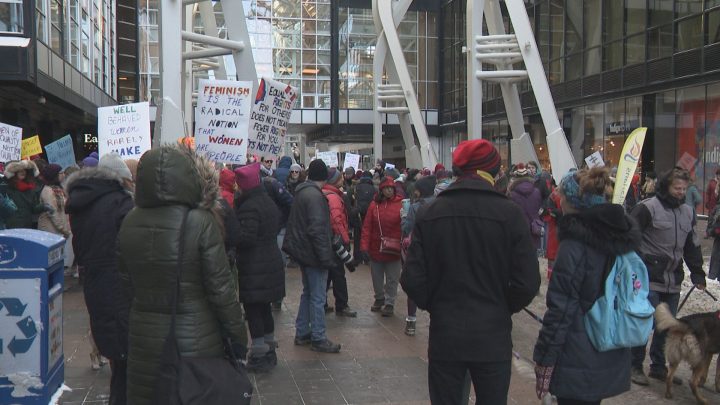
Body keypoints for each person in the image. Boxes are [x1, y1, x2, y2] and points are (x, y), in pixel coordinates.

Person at [401, 139, 540, 404]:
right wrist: (501, 306)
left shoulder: (431, 211)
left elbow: (412, 276)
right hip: (493, 334)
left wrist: (437, 305)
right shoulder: (509, 214)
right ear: (493, 171)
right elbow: (528, 282)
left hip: (446, 334)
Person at [117, 146, 248, 405]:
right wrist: (238, 336)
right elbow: (221, 291)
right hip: (196, 341)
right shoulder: (200, 221)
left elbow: (124, 286)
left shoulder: (129, 221)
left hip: (144, 339)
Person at [533, 167, 636, 405]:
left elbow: (561, 310)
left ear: (572, 203)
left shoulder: (574, 246)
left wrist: (545, 358)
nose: (560, 202)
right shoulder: (619, 236)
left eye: (563, 197)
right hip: (609, 346)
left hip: (576, 355)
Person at [65, 152, 135, 405]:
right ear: (120, 179)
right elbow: (131, 249)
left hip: (96, 284)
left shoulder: (82, 204)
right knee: (127, 356)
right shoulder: (120, 204)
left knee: (118, 355)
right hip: (119, 285)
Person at [629, 167, 706, 386]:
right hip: (647, 279)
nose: (681, 192)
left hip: (673, 279)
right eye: (677, 188)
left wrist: (698, 272)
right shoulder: (647, 208)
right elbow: (630, 237)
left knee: (666, 325)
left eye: (684, 188)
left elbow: (692, 245)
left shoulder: (688, 212)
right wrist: (636, 265)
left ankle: (657, 366)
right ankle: (634, 365)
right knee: (645, 323)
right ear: (665, 187)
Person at [283, 159, 342, 353]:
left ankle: (302, 332)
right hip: (313, 253)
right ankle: (318, 336)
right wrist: (326, 258)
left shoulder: (302, 192)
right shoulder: (315, 196)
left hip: (303, 251)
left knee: (307, 293)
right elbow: (318, 230)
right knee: (317, 296)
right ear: (324, 176)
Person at [234, 163, 285, 372]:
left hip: (255, 265)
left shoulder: (248, 207)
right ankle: (269, 347)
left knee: (254, 308)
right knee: (264, 308)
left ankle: (259, 353)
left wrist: (232, 233)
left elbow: (247, 237)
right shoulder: (268, 202)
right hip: (270, 261)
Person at [362, 176, 403, 317]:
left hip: (394, 248)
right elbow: (367, 226)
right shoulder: (374, 205)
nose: (389, 191)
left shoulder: (401, 204)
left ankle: (390, 302)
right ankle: (379, 298)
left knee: (393, 278)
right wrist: (364, 247)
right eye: (386, 188)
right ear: (381, 190)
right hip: (376, 247)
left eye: (391, 188)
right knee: (376, 277)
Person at [400, 175, 436, 336]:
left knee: (414, 283)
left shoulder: (415, 207)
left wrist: (403, 217)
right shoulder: (440, 204)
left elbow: (407, 229)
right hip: (436, 250)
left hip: (418, 249)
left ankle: (411, 321)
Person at [322, 168, 358, 317]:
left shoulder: (324, 193)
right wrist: (345, 239)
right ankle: (342, 305)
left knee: (328, 274)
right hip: (335, 241)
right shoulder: (334, 197)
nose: (343, 179)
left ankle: (323, 303)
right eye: (340, 177)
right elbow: (337, 221)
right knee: (338, 274)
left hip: (326, 240)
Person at [509, 163, 543, 250]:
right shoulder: (536, 192)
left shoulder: (511, 194)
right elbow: (538, 208)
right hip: (534, 230)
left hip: (517, 231)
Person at [3, 160, 45, 229]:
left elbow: (34, 208)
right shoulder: (6, 187)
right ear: (13, 173)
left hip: (27, 226)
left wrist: (44, 207)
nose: (23, 172)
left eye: (24, 170)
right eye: (19, 170)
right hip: (12, 227)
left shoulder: (30, 188)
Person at [37, 164, 71, 238]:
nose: (63, 174)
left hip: (59, 232)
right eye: (60, 173)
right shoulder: (48, 191)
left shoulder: (60, 189)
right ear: (54, 175)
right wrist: (64, 230)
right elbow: (53, 213)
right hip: (51, 232)